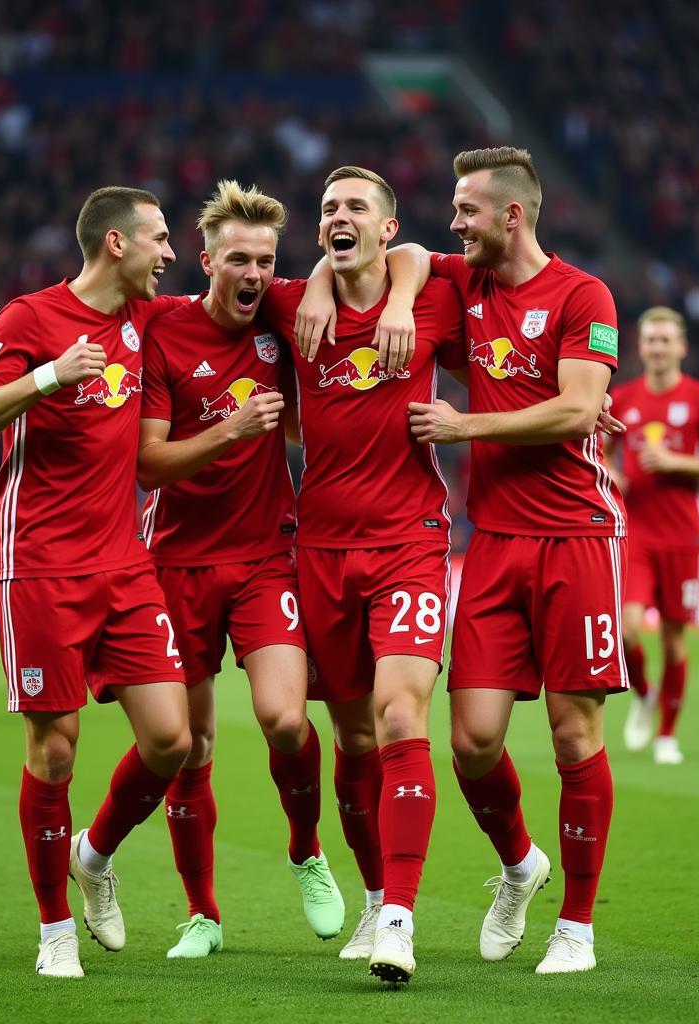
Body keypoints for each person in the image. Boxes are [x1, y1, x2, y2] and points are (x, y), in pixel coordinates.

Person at [0, 186, 192, 979]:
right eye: (159, 239)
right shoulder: (31, 318)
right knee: (55, 750)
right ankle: (55, 929)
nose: (170, 253)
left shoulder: (150, 319)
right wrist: (50, 376)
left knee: (171, 738)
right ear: (116, 243)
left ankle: (95, 854)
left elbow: (231, 295)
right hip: (40, 564)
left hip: (124, 562)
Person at [402, 146, 627, 974]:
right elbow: (396, 254)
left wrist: (467, 426)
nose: (453, 224)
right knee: (472, 742)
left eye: (465, 211)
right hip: (494, 542)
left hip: (576, 535)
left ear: (512, 215)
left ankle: (578, 924)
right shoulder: (468, 285)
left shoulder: (583, 294)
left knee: (574, 733)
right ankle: (520, 865)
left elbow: (575, 410)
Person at [261, 165, 467, 984]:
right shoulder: (287, 304)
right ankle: (376, 889)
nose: (337, 218)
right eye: (326, 211)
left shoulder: (430, 296)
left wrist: (399, 294)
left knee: (397, 714)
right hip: (320, 549)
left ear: (386, 229)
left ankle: (399, 918)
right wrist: (314, 284)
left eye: (355, 208)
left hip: (410, 541)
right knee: (350, 736)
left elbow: (428, 256)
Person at [136, 180, 343, 959]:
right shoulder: (162, 330)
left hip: (265, 557)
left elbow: (369, 271)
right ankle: (203, 914)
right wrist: (229, 431)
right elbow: (149, 466)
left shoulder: (286, 315)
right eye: (238, 260)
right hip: (177, 561)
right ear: (205, 261)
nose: (254, 273)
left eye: (266, 260)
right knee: (191, 744)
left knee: (287, 718)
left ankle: (306, 851)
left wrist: (319, 275)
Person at [607, 307, 699, 764]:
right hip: (636, 532)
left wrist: (676, 462)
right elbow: (598, 453)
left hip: (684, 534)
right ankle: (644, 694)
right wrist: (610, 476)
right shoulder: (622, 398)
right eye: (650, 340)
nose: (658, 348)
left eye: (666, 340)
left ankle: (666, 735)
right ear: (640, 347)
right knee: (625, 633)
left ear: (681, 347)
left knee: (673, 641)